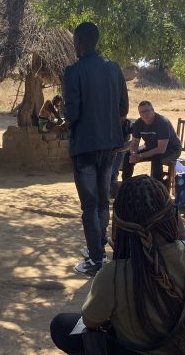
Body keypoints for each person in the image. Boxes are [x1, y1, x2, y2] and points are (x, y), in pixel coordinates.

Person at [49, 176, 185, 354]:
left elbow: (90, 322)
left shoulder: (112, 275)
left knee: (61, 325)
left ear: (119, 228)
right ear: (174, 217)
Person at [63, 21, 129, 276]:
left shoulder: (73, 71)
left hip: (84, 147)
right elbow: (123, 108)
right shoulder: (114, 69)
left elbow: (73, 113)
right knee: (103, 201)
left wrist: (66, 117)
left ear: (79, 41)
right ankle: (98, 248)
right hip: (110, 145)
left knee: (89, 204)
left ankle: (96, 259)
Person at [119, 101, 182, 185]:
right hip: (151, 147)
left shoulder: (162, 122)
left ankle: (158, 186)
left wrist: (140, 156)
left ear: (153, 110)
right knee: (128, 155)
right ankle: (126, 184)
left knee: (157, 158)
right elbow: (134, 143)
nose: (145, 114)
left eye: (147, 111)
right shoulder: (138, 123)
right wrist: (134, 154)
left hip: (172, 149)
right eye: (142, 112)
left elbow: (161, 149)